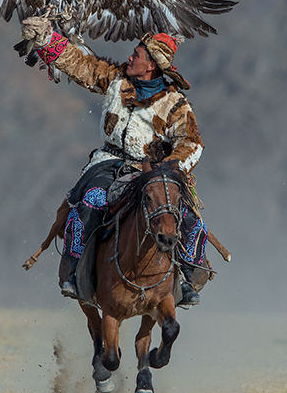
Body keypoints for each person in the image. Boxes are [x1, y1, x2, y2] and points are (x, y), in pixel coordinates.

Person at [20, 17, 208, 306]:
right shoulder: (115, 80)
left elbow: (192, 143)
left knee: (188, 218)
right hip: (107, 162)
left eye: (136, 55)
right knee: (91, 202)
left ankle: (184, 278)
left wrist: (168, 169)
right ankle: (74, 273)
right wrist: (46, 39)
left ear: (152, 66)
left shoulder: (175, 105)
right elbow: (81, 66)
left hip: (154, 171)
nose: (129, 58)